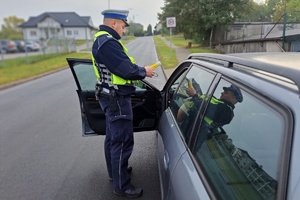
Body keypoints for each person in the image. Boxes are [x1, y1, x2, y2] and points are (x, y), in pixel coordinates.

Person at [91, 9, 155, 198]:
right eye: (123, 26)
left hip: (110, 97)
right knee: (121, 140)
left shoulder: (102, 41)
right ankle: (122, 186)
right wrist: (144, 71)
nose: (124, 30)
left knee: (113, 138)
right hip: (116, 99)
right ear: (113, 23)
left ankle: (116, 174)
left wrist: (139, 70)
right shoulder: (108, 43)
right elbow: (125, 70)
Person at [177, 84, 243, 145]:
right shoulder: (218, 102)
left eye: (226, 93)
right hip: (185, 129)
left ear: (233, 98)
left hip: (190, 139)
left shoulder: (227, 112)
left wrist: (194, 95)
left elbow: (205, 108)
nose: (221, 93)